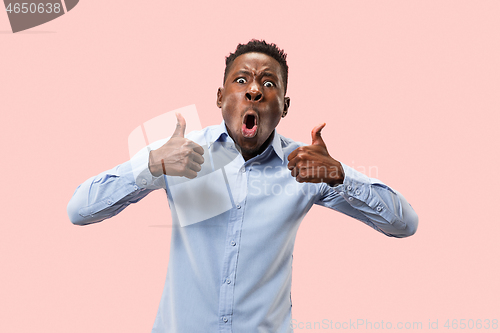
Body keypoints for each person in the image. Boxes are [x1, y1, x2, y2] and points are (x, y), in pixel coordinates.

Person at [67, 39, 418, 333]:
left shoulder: (307, 167)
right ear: (220, 97)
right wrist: (149, 166)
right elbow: (80, 209)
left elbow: (405, 224)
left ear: (285, 106)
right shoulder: (178, 154)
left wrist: (342, 175)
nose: (253, 90)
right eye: (241, 81)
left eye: (268, 84)